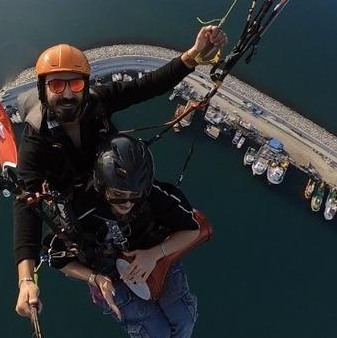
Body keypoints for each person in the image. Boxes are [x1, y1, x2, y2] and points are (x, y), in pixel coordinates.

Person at [13, 26, 226, 318]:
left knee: (146, 215)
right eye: (56, 85)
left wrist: (193, 55)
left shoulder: (96, 103)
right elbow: (27, 202)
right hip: (82, 203)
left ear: (85, 86)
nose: (66, 94)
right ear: (43, 89)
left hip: (117, 183)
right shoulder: (36, 140)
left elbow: (147, 86)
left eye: (74, 86)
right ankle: (113, 281)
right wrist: (26, 278)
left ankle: (149, 259)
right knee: (99, 252)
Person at [48, 135, 204, 338]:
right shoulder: (79, 211)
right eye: (119, 194)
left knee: (184, 317)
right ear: (102, 186)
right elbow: (57, 259)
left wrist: (153, 255)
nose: (128, 203)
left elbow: (192, 230)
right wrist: (94, 277)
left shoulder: (154, 195)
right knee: (159, 331)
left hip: (155, 255)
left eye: (135, 195)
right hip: (108, 274)